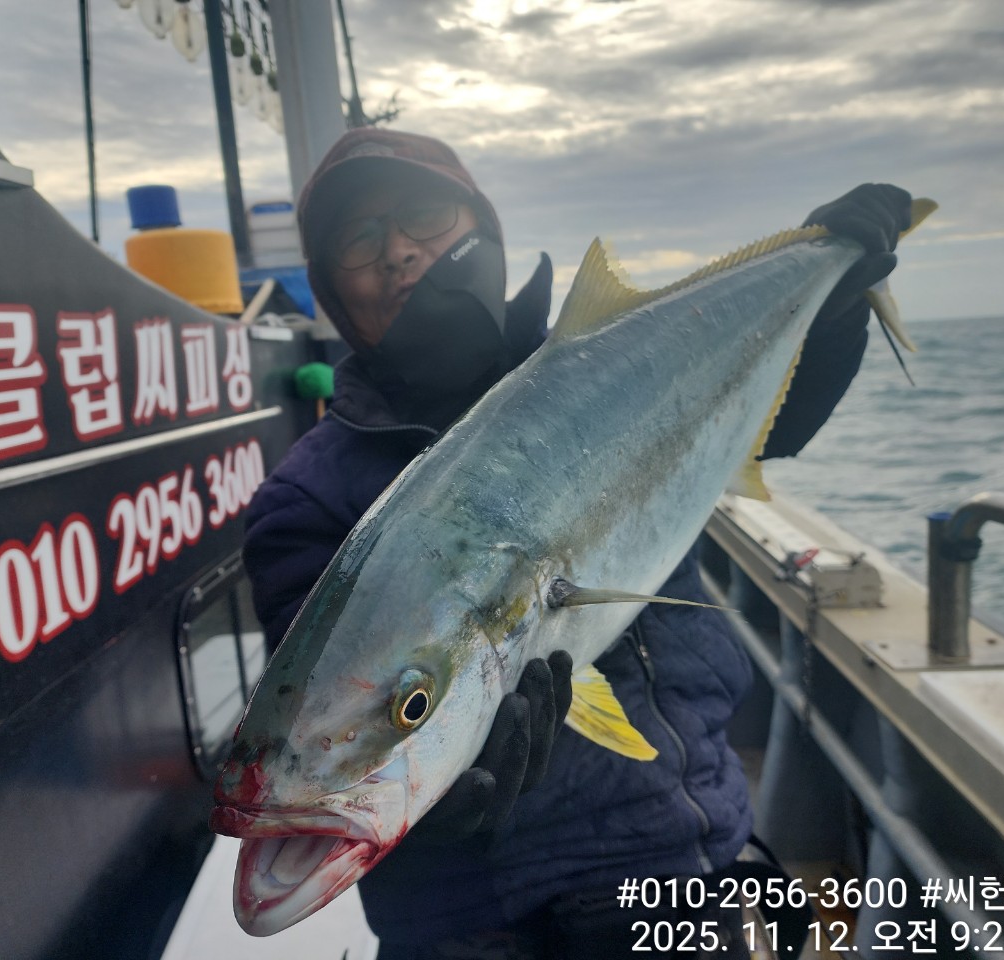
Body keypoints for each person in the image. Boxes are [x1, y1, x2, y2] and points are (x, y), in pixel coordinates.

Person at [241, 126, 912, 959]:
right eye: (359, 238)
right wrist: (433, 800)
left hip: (690, 865)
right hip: (480, 930)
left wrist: (833, 297)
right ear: (331, 290)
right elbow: (334, 706)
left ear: (482, 228)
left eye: (424, 216)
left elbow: (763, 427)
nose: (398, 251)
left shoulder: (620, 359)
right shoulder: (305, 497)